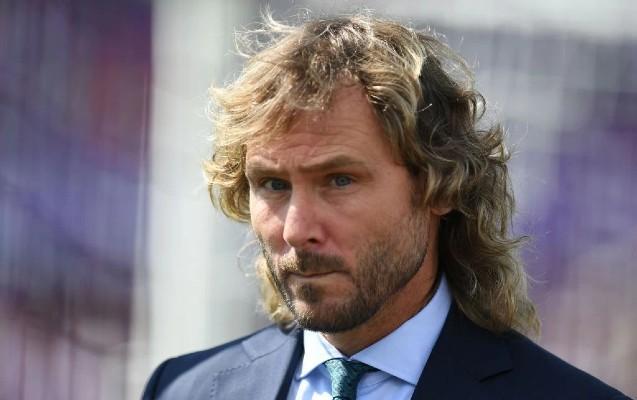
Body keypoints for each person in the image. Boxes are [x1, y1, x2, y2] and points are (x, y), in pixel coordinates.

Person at [142, 13, 630, 400]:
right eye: (272, 184)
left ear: (441, 186)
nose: (295, 229)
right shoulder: (181, 390)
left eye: (339, 180)